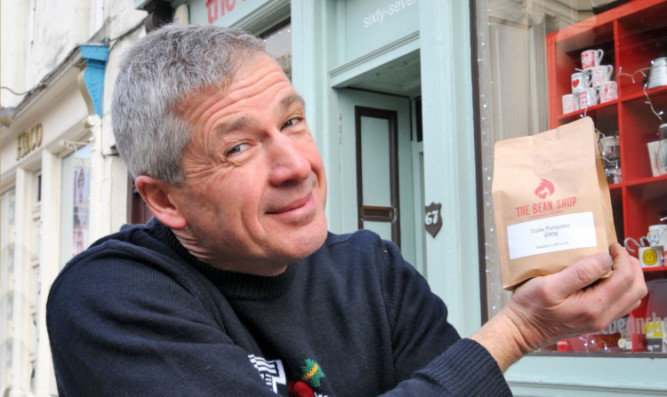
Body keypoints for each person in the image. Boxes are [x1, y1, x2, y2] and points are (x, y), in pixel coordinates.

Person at [46, 24, 646, 397]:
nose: (297, 165)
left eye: (291, 121)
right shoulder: (109, 298)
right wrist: (518, 330)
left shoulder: (372, 271)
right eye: (237, 147)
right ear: (164, 199)